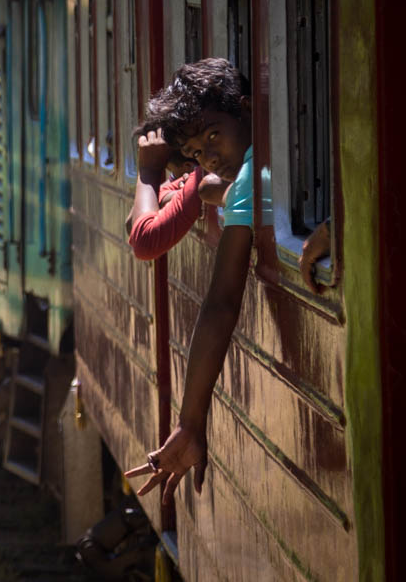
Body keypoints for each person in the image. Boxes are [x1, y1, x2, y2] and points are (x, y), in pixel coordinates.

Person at [124, 58, 269, 504]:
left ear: (247, 110)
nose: (210, 156)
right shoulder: (233, 176)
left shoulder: (245, 180)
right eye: (198, 151)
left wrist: (189, 423)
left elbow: (221, 302)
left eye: (214, 136)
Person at [125, 123, 228, 260]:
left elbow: (142, 238)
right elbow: (131, 223)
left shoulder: (200, 176)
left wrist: (149, 170)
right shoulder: (192, 176)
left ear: (188, 166)